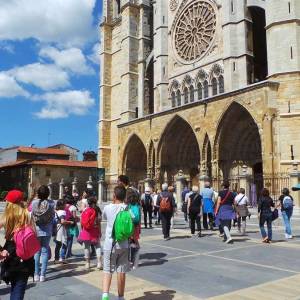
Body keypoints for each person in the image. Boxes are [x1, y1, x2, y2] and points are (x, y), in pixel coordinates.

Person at [0, 190, 35, 300]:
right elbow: (34, 237)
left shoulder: (6, 217)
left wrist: (0, 250)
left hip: (9, 255)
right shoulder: (27, 216)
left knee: (14, 284)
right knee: (18, 289)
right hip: (25, 256)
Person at [102, 185, 129, 300]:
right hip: (123, 244)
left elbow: (104, 217)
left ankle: (105, 296)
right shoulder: (127, 208)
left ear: (114, 195)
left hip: (110, 244)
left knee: (108, 270)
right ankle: (121, 297)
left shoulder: (108, 208)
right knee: (121, 271)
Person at [31, 185, 55, 282]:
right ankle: (43, 275)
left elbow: (32, 215)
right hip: (47, 230)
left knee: (36, 252)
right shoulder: (52, 203)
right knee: (44, 252)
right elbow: (53, 216)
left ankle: (36, 274)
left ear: (38, 193)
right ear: (48, 193)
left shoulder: (34, 203)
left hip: (36, 229)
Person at [78, 197, 102, 270]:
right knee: (97, 246)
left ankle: (87, 263)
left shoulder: (85, 211)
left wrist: (83, 230)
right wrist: (100, 231)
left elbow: (82, 222)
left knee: (86, 247)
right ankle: (99, 263)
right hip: (95, 230)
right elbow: (99, 222)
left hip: (86, 231)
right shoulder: (97, 211)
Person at [54, 200, 74, 264]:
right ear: (62, 205)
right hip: (61, 229)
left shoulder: (56, 211)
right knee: (64, 243)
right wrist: (70, 222)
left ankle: (56, 259)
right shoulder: (63, 212)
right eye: (64, 204)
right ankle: (62, 258)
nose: (65, 205)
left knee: (58, 244)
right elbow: (62, 221)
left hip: (56, 228)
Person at [127, 188, 142, 270]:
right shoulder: (137, 206)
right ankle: (134, 262)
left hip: (131, 227)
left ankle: (133, 261)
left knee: (133, 243)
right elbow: (139, 219)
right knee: (133, 243)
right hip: (135, 227)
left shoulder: (129, 206)